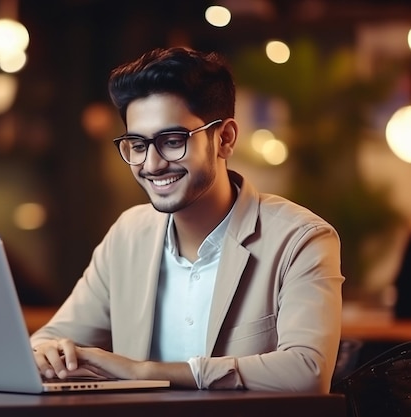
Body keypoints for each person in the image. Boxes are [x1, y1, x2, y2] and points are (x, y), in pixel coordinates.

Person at [30, 47, 344, 392]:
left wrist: (142, 372)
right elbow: (49, 341)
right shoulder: (128, 235)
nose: (151, 164)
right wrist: (47, 353)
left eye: (172, 141)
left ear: (224, 138)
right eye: (137, 144)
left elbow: (308, 373)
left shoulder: (300, 239)